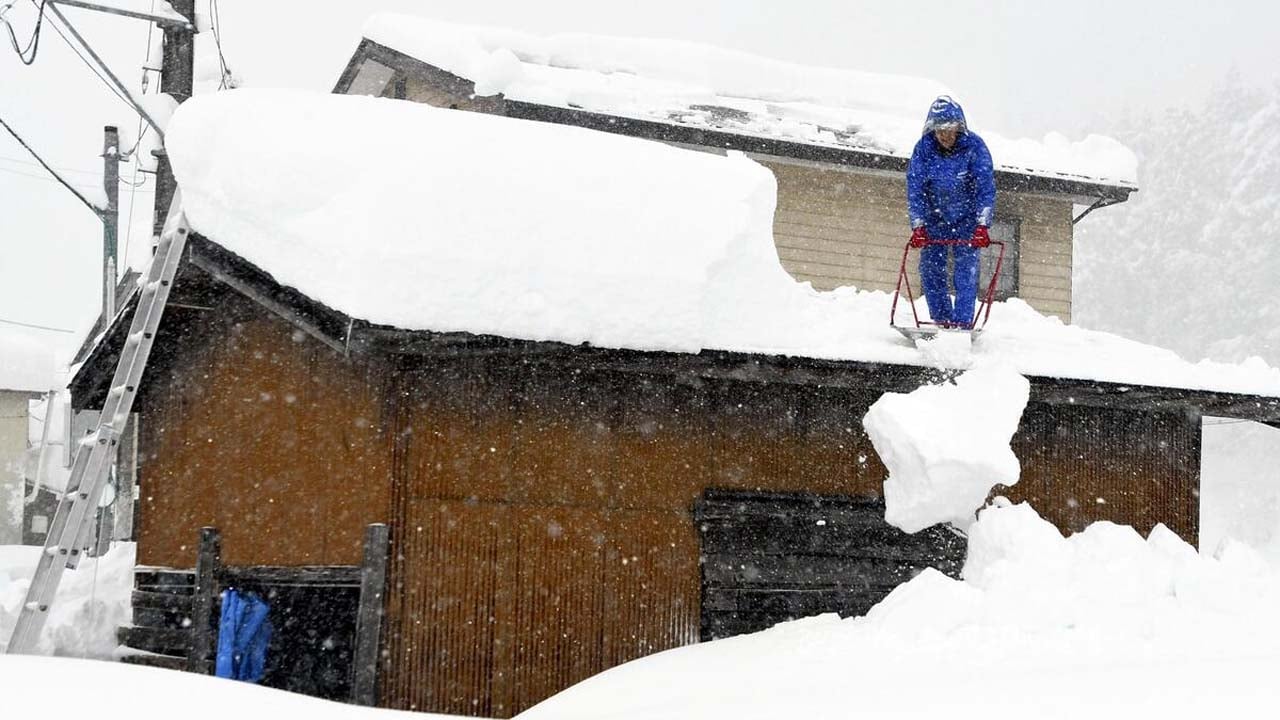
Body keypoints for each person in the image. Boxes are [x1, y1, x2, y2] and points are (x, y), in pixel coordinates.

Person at [905, 95, 996, 329]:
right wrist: (918, 225)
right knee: (930, 269)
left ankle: (963, 323)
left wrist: (982, 225)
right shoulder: (923, 150)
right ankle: (942, 319)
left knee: (966, 272)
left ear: (959, 128)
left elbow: (985, 187)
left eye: (949, 130)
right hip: (934, 219)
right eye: (939, 130)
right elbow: (915, 188)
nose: (944, 136)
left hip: (967, 220)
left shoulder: (975, 148)